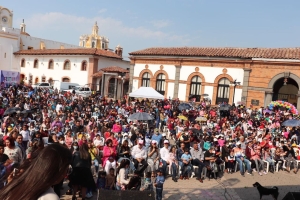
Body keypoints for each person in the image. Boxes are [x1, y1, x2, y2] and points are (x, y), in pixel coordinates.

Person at [0, 143, 72, 200]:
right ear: (58, 169)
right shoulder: (49, 197)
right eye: (67, 169)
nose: (65, 174)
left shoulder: (16, 183)